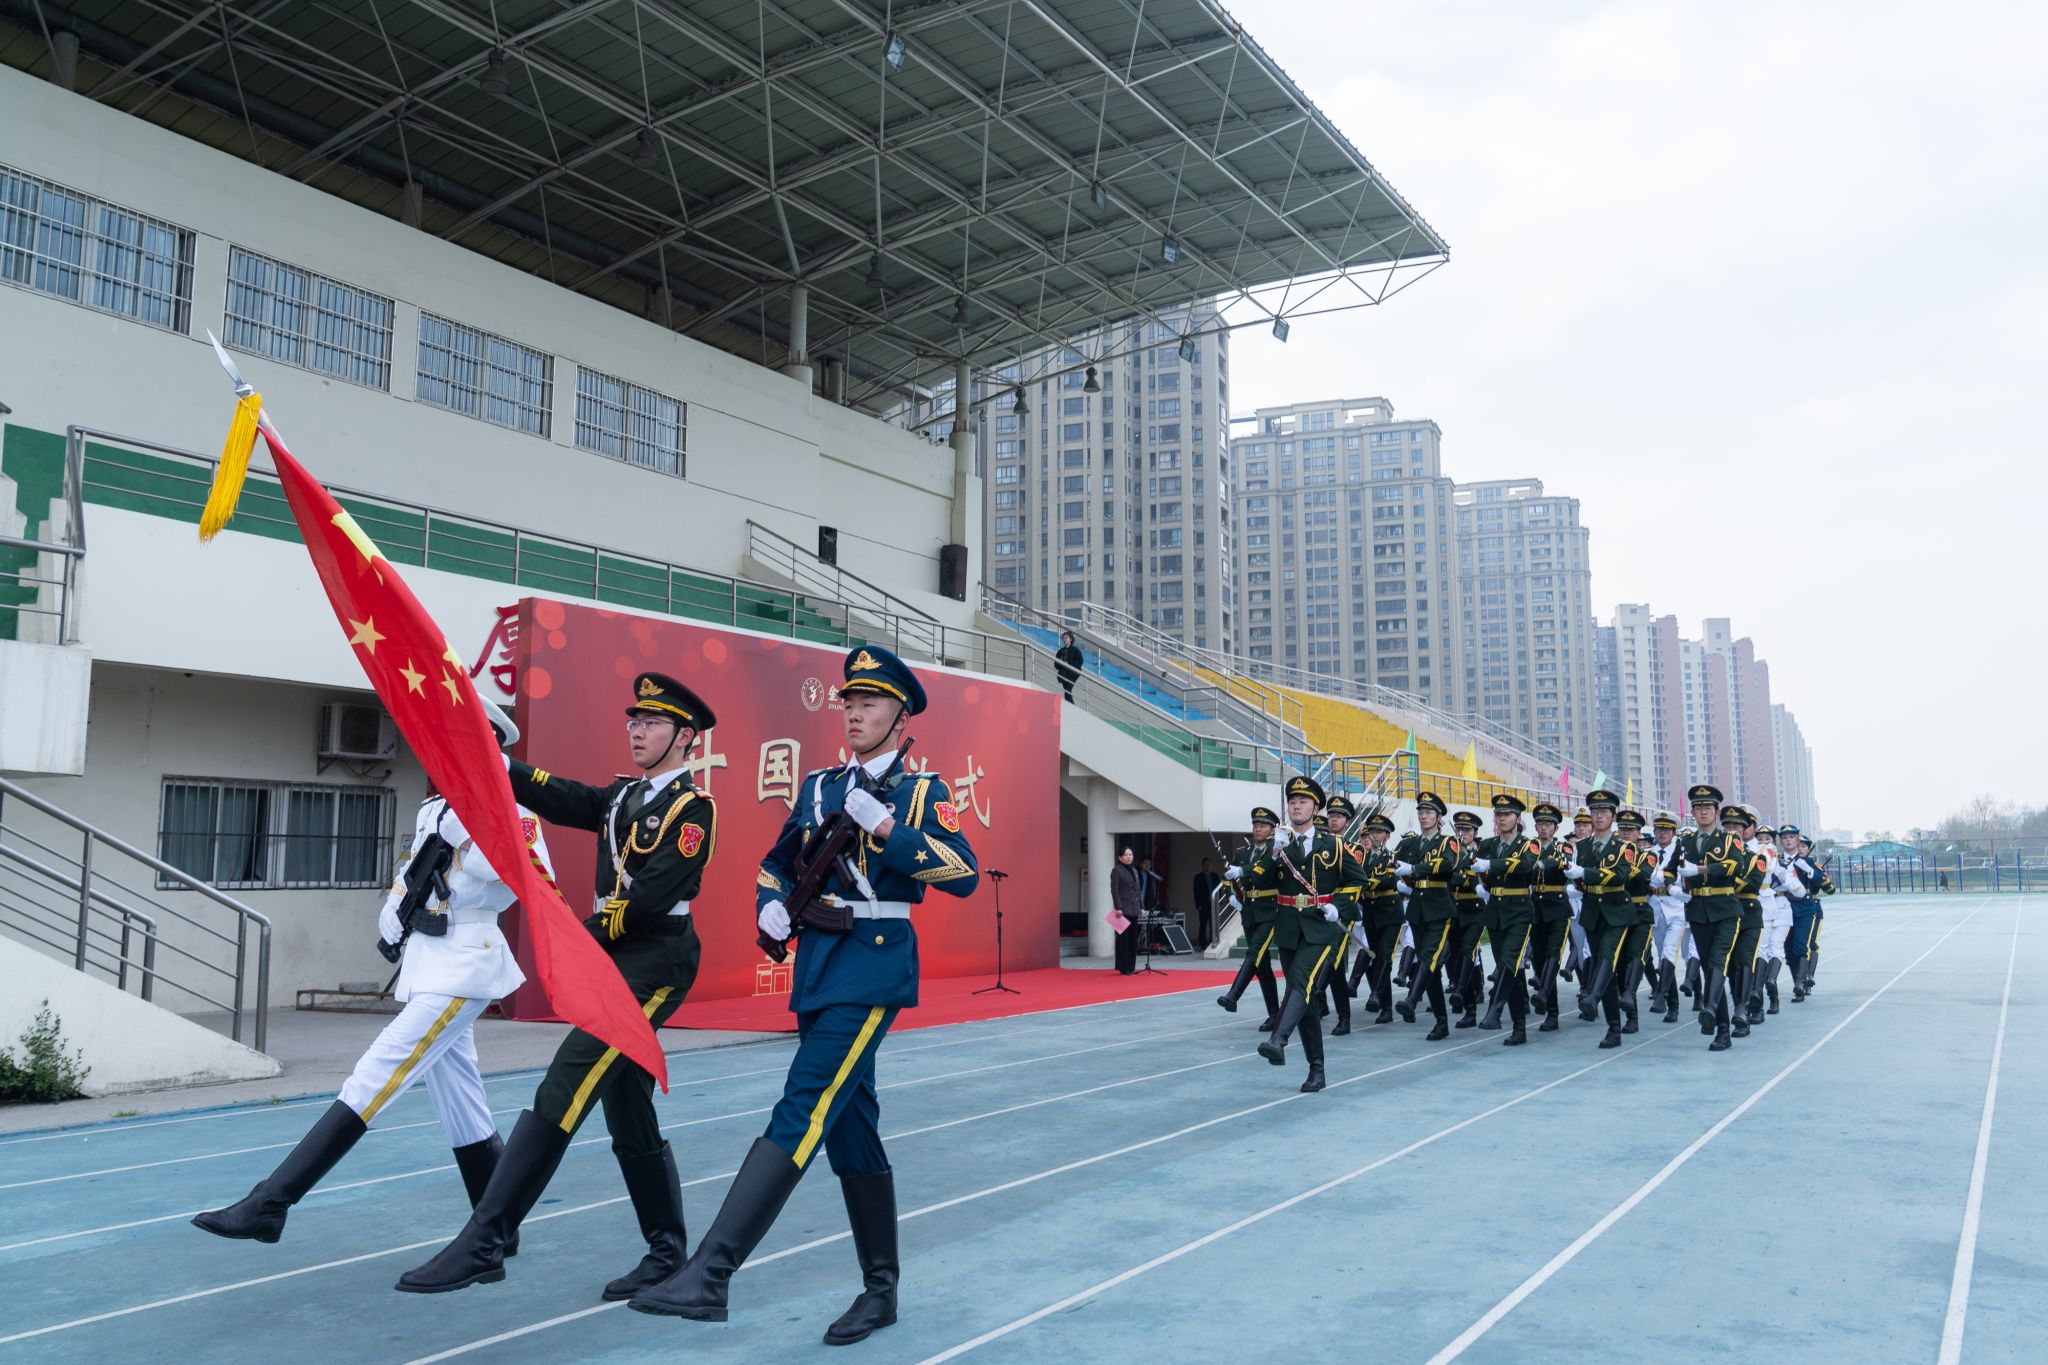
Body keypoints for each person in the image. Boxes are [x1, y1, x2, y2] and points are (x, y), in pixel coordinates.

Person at [629, 644, 977, 1343]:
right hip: (818, 963)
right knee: (851, 1127)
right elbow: (776, 863)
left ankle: (712, 1271)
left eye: (870, 703)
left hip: (873, 966)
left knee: (804, 1103)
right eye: (850, 702)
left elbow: (962, 871)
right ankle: (881, 1290)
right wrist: (770, 904)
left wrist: (886, 827)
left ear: (900, 716)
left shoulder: (921, 791)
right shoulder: (819, 787)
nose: (854, 713)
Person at [397, 672, 719, 1297]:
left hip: (655, 963)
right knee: (627, 1105)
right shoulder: (623, 796)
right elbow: (560, 795)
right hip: (613, 957)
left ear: (685, 738)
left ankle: (485, 1240)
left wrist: (577, 935)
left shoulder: (693, 810)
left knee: (566, 1083)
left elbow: (651, 900)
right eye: (634, 720)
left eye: (652, 722)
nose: (637, 730)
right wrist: (494, 762)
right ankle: (666, 1250)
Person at [194, 700, 545, 1247]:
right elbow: (413, 870)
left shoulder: (515, 814)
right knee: (461, 1100)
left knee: (377, 1073)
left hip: (466, 964)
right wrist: (395, 907)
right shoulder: (435, 809)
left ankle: (272, 1201)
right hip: (429, 959)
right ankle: (499, 1229)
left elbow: (522, 877)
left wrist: (472, 831)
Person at [1240, 776, 1362, 1091]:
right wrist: (1274, 852)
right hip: (1288, 927)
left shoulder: (1333, 845)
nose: (1296, 806)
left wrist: (1339, 906)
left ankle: (1278, 1039)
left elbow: (1357, 880)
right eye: (1292, 802)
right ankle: (1316, 1071)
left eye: (1303, 802)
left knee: (1300, 981)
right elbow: (1257, 881)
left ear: (1315, 809)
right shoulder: (1278, 845)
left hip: (1320, 928)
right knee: (1304, 998)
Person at [1676, 784, 1749, 1052]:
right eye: (1698, 807)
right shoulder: (1685, 841)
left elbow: (1736, 865)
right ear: (1693, 812)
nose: (1703, 812)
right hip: (1698, 910)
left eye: (1708, 807)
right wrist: (1669, 883)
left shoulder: (1729, 839)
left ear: (1717, 812)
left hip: (1726, 909)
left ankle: (1710, 1007)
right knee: (1709, 968)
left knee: (1718, 961)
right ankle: (1722, 1030)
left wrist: (1701, 869)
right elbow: (1672, 868)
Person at [1572, 789, 1640, 1049]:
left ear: (1613, 816)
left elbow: (1620, 875)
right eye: (1594, 811)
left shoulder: (1625, 847)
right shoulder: (1582, 846)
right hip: (1592, 911)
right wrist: (1575, 879)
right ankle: (1614, 1028)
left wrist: (1585, 873)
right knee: (1607, 970)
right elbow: (1579, 880)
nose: (1598, 815)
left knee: (1606, 956)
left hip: (1617, 911)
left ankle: (1592, 997)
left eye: (1603, 811)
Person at [1394, 792, 1464, 1041]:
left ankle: (1412, 999)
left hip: (1439, 907)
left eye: (1429, 812)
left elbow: (1446, 865)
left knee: (1428, 957)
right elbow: (1396, 860)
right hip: (1417, 907)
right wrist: (1402, 872)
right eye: (1421, 812)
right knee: (1430, 967)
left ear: (1439, 817)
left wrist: (1414, 868)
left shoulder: (1448, 842)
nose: (1424, 816)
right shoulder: (1413, 843)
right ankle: (1441, 1022)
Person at [1217, 807, 1284, 1028]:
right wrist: (1230, 895)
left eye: (1263, 825)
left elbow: (1262, 869)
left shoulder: (1276, 849)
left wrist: (1241, 872)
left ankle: (1233, 995)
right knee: (1262, 966)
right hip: (1249, 911)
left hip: (1270, 909)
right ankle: (1274, 1015)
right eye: (1255, 825)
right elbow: (1227, 877)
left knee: (1254, 951)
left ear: (1272, 830)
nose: (1257, 829)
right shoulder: (1243, 852)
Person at [1525, 803, 1575, 1033]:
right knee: (1538, 959)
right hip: (1535, 908)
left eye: (1548, 824)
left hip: (1557, 908)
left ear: (1555, 828)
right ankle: (1548, 1004)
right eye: (1540, 823)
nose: (1543, 828)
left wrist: (1541, 863)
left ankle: (1548, 1003)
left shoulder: (1563, 847)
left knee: (1553, 955)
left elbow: (1562, 863)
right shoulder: (1529, 847)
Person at [1646, 812, 1692, 1023]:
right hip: (1656, 907)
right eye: (1658, 829)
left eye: (1666, 830)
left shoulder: (1682, 852)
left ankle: (1661, 996)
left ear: (1674, 832)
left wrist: (1658, 878)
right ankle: (1672, 1004)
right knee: (1663, 955)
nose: (1662, 833)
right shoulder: (1649, 853)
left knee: (1669, 952)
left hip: (1676, 907)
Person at [1447, 811, 1489, 1026]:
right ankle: (1470, 1010)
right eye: (1459, 829)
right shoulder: (1451, 852)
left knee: (1467, 950)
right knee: (1457, 957)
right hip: (1455, 910)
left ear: (1475, 832)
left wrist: (1459, 877)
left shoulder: (1481, 853)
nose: (1462, 833)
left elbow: (1477, 880)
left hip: (1475, 910)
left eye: (1467, 829)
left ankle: (1459, 989)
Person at [1110, 847, 1143, 974]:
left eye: (1130, 854)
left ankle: (1131, 966)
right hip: (1122, 910)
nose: (1129, 857)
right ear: (1120, 857)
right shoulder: (1117, 871)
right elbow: (1115, 890)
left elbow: (1138, 890)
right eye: (1126, 855)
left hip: (1134, 908)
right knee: (1123, 940)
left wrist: (1141, 907)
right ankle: (1123, 967)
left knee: (1133, 939)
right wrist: (1118, 907)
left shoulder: (1134, 870)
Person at [1191, 858, 1222, 949]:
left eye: (1209, 864)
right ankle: (1202, 944)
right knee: (1203, 924)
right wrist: (1198, 905)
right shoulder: (1198, 877)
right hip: (1203, 904)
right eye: (1205, 864)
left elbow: (1219, 890)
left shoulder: (1215, 876)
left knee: (1213, 924)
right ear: (1202, 865)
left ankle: (1213, 941)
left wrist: (1220, 901)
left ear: (1211, 865)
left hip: (1214, 904)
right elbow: (1196, 892)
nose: (1207, 866)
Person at [1054, 630, 1085, 701]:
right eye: (1063, 638)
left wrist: (1068, 662)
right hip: (1064, 673)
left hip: (1073, 673)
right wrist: (1061, 662)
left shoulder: (1075, 650)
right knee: (1067, 690)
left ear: (1070, 639)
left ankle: (1071, 705)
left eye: (1066, 638)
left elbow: (1080, 662)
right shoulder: (1060, 651)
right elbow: (1056, 664)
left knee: (1067, 689)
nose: (1064, 640)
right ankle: (1071, 705)